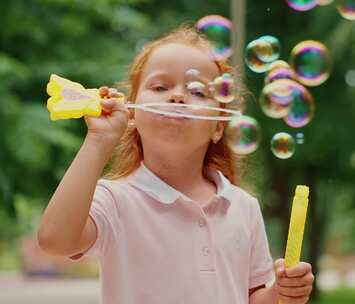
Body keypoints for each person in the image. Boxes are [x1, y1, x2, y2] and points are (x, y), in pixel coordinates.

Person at [37, 24, 314, 304]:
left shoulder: (243, 207)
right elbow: (55, 240)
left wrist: (280, 294)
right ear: (132, 113)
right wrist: (99, 140)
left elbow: (252, 298)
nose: (177, 96)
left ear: (218, 126)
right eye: (160, 87)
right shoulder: (116, 200)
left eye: (198, 92)